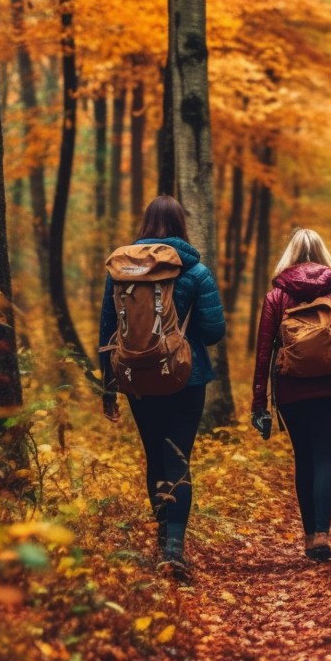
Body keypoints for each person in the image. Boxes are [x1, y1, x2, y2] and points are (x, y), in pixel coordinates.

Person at [98, 195, 226, 576]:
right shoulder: (195, 271)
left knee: (154, 456)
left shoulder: (120, 269)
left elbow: (108, 331)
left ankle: (158, 540)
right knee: (178, 458)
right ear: (181, 224)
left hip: (136, 378)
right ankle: (174, 549)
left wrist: (108, 385)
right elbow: (215, 332)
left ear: (146, 223)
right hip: (187, 377)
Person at [252, 229, 331, 561]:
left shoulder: (276, 297)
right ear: (323, 254)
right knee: (325, 459)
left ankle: (307, 537)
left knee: (303, 459)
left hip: (291, 388)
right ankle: (322, 534)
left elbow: (263, 353)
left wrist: (259, 402)